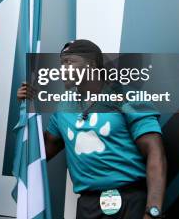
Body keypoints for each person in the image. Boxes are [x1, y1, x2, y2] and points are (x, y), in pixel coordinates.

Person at [18, 40, 167, 219]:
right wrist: (28, 107)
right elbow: (42, 152)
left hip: (130, 201)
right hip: (89, 205)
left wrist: (153, 211)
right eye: (61, 64)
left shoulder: (127, 97)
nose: (62, 69)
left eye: (69, 62)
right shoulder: (64, 106)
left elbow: (155, 152)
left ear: (91, 64)